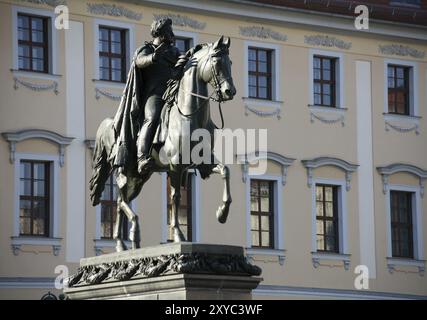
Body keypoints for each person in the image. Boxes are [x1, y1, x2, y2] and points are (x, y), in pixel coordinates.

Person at [112, 18, 187, 176]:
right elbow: (139, 62)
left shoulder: (174, 52)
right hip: (154, 94)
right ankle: (142, 157)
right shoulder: (146, 49)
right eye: (169, 31)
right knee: (152, 118)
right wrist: (154, 57)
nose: (172, 34)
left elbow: (183, 66)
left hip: (173, 94)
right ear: (161, 32)